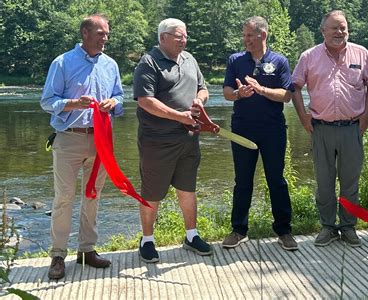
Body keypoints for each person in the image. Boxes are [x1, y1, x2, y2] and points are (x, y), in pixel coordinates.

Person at [40, 14, 124, 280]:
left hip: (100, 139)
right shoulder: (63, 62)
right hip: (69, 138)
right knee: (64, 197)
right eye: (100, 33)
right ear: (85, 33)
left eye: (107, 33)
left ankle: (87, 250)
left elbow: (120, 96)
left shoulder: (110, 64)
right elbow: (47, 101)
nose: (105, 38)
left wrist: (114, 103)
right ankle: (58, 255)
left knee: (93, 194)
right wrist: (73, 103)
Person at [292, 10, 368, 248]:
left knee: (350, 181)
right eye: (334, 28)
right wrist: (303, 117)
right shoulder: (309, 56)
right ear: (323, 31)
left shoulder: (362, 54)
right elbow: (295, 87)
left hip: (352, 128)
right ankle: (327, 227)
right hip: (320, 128)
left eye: (343, 27)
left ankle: (348, 226)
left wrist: (365, 116)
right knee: (324, 182)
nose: (339, 32)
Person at [133, 18, 212, 263]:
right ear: (163, 38)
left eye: (185, 35)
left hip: (189, 139)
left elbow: (203, 88)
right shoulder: (148, 62)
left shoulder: (190, 59)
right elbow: (145, 101)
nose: (183, 40)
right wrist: (180, 117)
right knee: (152, 192)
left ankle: (191, 235)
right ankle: (147, 240)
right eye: (178, 36)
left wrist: (200, 100)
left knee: (187, 189)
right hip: (157, 141)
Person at [222, 16, 297, 251]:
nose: (245, 40)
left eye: (249, 36)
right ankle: (239, 230)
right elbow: (226, 91)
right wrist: (239, 94)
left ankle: (284, 231)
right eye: (243, 35)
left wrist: (260, 89)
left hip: (273, 130)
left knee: (277, 180)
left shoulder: (279, 61)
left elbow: (286, 95)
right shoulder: (236, 60)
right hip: (243, 128)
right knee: (242, 180)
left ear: (262, 35)